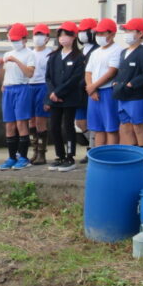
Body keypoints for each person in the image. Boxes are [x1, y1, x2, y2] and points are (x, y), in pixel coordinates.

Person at [113, 18, 143, 168]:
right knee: (126, 126)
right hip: (122, 95)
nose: (127, 34)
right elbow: (120, 71)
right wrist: (116, 82)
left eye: (130, 31)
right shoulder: (124, 51)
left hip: (136, 96)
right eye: (126, 30)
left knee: (138, 125)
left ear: (141, 33)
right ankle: (133, 157)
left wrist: (133, 84)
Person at [45, 21, 87, 172]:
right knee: (54, 126)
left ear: (74, 36)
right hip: (54, 97)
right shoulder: (54, 56)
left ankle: (70, 156)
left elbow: (75, 79)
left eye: (67, 35)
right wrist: (52, 93)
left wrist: (59, 92)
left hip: (70, 97)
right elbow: (48, 77)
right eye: (61, 35)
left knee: (68, 126)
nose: (63, 38)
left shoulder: (78, 57)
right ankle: (60, 155)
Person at [0, 23, 36, 170]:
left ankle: (24, 157)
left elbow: (30, 73)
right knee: (9, 124)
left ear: (25, 39)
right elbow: (2, 78)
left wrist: (17, 61)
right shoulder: (7, 54)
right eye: (12, 40)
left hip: (22, 88)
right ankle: (11, 157)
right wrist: (0, 66)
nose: (15, 42)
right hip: (9, 89)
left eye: (17, 39)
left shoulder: (29, 54)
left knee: (21, 123)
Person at [85, 18, 122, 147]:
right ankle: (100, 157)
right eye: (98, 33)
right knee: (98, 128)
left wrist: (94, 86)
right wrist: (91, 88)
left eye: (102, 33)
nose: (99, 36)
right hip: (94, 92)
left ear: (112, 34)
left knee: (111, 128)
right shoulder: (95, 52)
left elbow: (112, 72)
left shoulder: (117, 49)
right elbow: (88, 72)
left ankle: (112, 156)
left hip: (108, 91)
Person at [75, 18, 98, 163]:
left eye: (86, 31)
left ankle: (92, 149)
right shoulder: (80, 51)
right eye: (81, 31)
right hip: (78, 92)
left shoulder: (97, 50)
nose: (83, 34)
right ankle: (91, 145)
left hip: (92, 89)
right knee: (80, 122)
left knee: (94, 121)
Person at [28, 24, 52, 165]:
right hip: (29, 86)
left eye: (41, 34)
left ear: (47, 38)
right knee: (31, 120)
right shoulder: (29, 53)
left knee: (40, 121)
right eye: (36, 34)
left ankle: (42, 153)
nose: (38, 37)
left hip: (43, 86)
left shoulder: (51, 54)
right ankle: (35, 151)